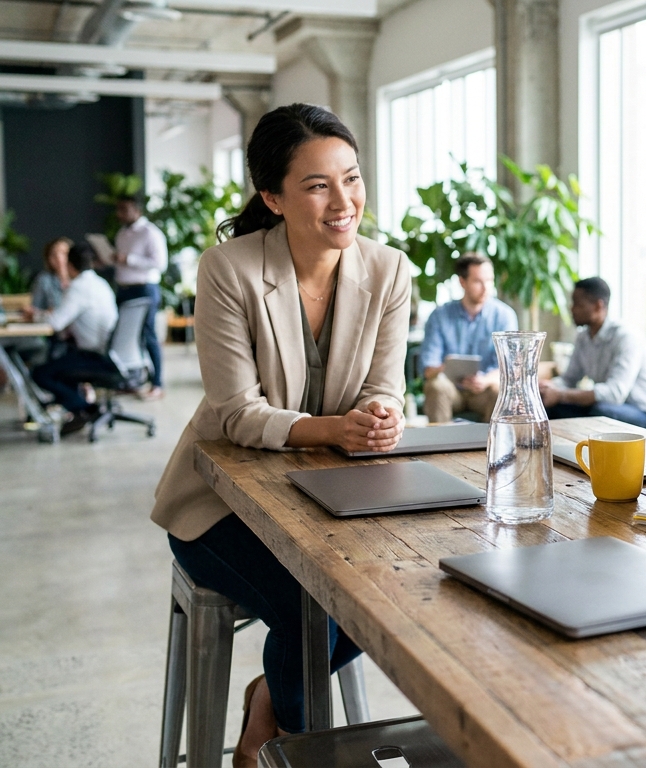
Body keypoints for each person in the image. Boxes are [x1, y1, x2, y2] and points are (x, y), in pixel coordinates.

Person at [149, 103, 411, 766]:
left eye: (350, 178)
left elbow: (386, 384)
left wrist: (381, 415)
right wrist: (336, 428)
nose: (343, 200)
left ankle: (270, 698)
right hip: (218, 506)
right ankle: (302, 752)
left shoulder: (389, 271)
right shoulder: (229, 270)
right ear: (272, 196)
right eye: (317, 185)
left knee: (404, 583)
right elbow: (236, 411)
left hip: (331, 495)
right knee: (308, 607)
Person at [540, 276, 646, 428]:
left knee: (599, 411)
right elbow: (569, 379)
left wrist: (561, 395)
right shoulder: (583, 337)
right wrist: (548, 387)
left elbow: (615, 393)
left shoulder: (626, 338)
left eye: (578, 304)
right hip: (606, 406)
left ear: (598, 306)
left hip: (641, 412)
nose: (572, 309)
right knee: (550, 405)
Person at [29, 242, 119, 436]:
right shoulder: (100, 283)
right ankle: (79, 410)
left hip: (95, 357)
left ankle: (86, 408)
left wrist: (36, 315)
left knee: (40, 374)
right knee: (62, 362)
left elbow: (55, 324)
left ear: (69, 265)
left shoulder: (78, 288)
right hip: (111, 355)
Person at [418, 253, 518, 423]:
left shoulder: (504, 315)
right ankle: (441, 447)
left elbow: (510, 367)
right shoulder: (440, 316)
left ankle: (491, 447)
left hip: (484, 390)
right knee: (435, 386)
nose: (486, 288)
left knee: (500, 389)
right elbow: (428, 369)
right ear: (462, 282)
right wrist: (448, 368)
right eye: (478, 281)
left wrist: (484, 380)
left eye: (490, 280)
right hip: (451, 390)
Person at [112, 194, 169, 399]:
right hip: (124, 288)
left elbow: (160, 264)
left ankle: (157, 384)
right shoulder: (121, 234)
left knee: (148, 335)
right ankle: (131, 381)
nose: (120, 214)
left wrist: (129, 259)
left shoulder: (150, 233)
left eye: (124, 209)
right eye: (118, 209)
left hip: (144, 288)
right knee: (127, 336)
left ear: (137, 210)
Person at [30, 237, 74, 313]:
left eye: (64, 253)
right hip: (51, 323)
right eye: (54, 255)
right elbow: (35, 308)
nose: (59, 258)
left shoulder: (81, 279)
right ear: (48, 259)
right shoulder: (44, 279)